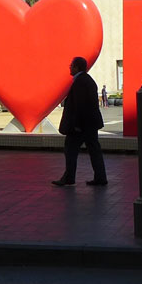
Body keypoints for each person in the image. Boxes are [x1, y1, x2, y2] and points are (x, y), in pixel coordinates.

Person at [54, 55, 106, 187]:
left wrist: (77, 125)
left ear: (77, 67)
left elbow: (80, 105)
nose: (70, 68)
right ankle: (100, 177)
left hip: (80, 126)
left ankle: (69, 178)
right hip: (90, 124)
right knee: (94, 150)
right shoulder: (87, 80)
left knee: (70, 151)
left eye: (71, 65)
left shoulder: (80, 82)